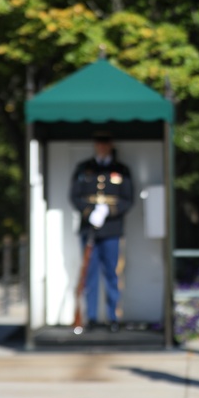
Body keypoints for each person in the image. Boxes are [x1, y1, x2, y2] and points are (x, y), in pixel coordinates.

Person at [69, 131, 134, 332]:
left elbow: (127, 198)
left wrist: (108, 211)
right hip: (90, 228)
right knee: (90, 273)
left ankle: (113, 316)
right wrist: (90, 213)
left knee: (112, 273)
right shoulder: (84, 168)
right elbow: (75, 196)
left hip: (112, 228)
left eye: (105, 142)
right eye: (99, 142)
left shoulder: (121, 169)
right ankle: (92, 318)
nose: (102, 146)